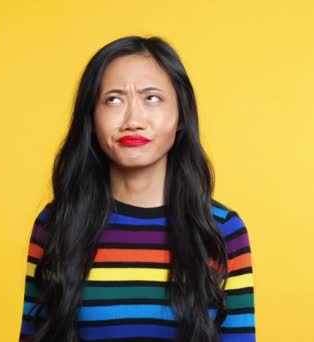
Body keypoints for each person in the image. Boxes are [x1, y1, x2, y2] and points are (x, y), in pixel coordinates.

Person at [19, 35, 255, 342]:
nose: (133, 120)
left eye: (151, 98)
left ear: (181, 116)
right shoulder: (57, 225)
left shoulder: (221, 230)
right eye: (114, 99)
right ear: (92, 117)